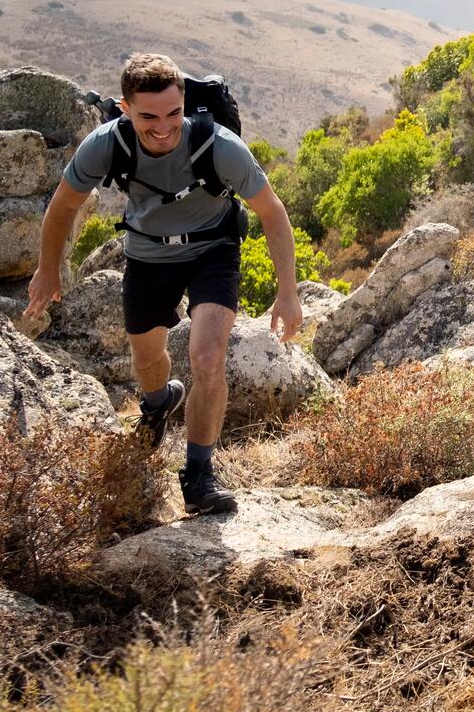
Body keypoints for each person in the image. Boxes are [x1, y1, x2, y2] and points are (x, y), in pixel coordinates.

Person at [24, 53, 303, 515]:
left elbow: (272, 212)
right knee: (147, 356)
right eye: (148, 116)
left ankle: (199, 476)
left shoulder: (219, 146)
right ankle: (158, 402)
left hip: (212, 250)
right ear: (125, 107)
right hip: (148, 255)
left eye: (173, 113)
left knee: (208, 355)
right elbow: (62, 206)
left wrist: (287, 290)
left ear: (185, 104)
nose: (163, 127)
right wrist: (48, 268)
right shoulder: (105, 145)